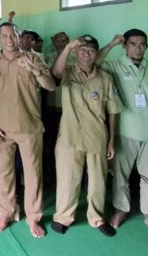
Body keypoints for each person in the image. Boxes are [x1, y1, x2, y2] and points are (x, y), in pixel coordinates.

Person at [97, 30, 148, 239]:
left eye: (142, 44)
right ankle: (121, 209)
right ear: (125, 46)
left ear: (147, 47)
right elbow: (94, 62)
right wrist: (111, 43)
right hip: (123, 131)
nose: (138, 48)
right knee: (120, 175)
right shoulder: (114, 66)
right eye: (133, 44)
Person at [0, 23, 55, 237]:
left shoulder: (33, 58)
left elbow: (51, 85)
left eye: (13, 34)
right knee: (3, 174)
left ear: (19, 36)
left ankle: (33, 217)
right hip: (1, 129)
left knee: (33, 174)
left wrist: (34, 69)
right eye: (4, 35)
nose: (9, 39)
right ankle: (6, 212)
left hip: (29, 127)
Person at [51, 36, 122, 237]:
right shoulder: (67, 72)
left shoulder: (105, 78)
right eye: (82, 50)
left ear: (96, 54)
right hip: (69, 136)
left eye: (91, 51)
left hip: (96, 136)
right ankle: (63, 217)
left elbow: (113, 110)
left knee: (98, 181)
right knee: (67, 179)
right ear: (75, 52)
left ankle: (97, 217)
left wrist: (111, 140)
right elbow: (55, 73)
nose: (86, 54)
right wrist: (67, 48)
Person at [42, 31, 70, 183]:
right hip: (51, 107)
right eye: (59, 40)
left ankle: (66, 173)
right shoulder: (47, 58)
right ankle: (52, 174)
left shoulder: (74, 58)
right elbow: (51, 75)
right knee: (51, 141)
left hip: (68, 108)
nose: (62, 42)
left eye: (65, 40)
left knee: (67, 142)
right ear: (53, 42)